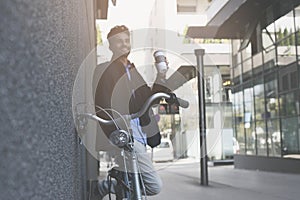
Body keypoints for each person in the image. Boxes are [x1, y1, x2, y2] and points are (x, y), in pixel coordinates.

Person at [92, 25, 170, 199]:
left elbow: (149, 100)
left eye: (127, 41)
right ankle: (106, 186)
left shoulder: (132, 70)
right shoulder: (105, 70)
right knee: (153, 186)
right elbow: (102, 105)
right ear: (110, 45)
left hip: (141, 132)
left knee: (131, 184)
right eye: (119, 41)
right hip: (124, 133)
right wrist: (115, 133)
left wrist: (161, 76)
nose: (124, 44)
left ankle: (109, 186)